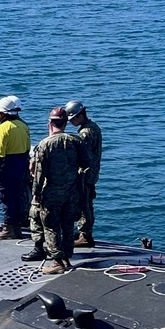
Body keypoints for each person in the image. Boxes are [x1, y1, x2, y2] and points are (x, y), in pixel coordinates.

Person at [23, 107, 89, 273]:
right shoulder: (76, 141)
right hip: (72, 191)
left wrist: (36, 194)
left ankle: (57, 261)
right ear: (66, 123)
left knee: (51, 226)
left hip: (52, 191)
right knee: (67, 225)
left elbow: (39, 174)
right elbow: (86, 164)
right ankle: (66, 258)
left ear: (50, 123)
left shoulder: (45, 144)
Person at [0, 95, 31, 240]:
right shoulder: (23, 126)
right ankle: (17, 227)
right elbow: (27, 149)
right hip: (20, 164)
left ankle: (8, 228)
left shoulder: (3, 129)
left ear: (3, 114)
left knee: (6, 197)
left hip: (6, 166)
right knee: (17, 195)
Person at [65, 100, 102, 247]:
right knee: (87, 202)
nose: (71, 122)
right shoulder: (94, 127)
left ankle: (85, 235)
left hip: (85, 173)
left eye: (72, 119)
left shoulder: (85, 133)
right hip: (92, 172)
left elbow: (81, 154)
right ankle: (85, 233)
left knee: (84, 203)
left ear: (80, 116)